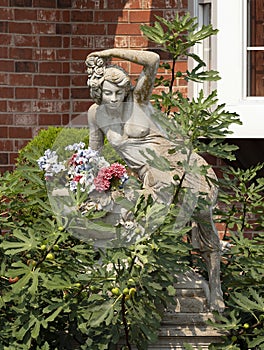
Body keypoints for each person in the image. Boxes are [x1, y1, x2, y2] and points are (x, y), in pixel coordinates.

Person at [85, 48, 225, 312]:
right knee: (147, 220)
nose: (114, 99)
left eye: (118, 92)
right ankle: (144, 284)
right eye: (107, 93)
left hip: (178, 164)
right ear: (98, 93)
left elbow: (152, 61)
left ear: (127, 91)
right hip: (151, 177)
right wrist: (89, 184)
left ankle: (215, 283)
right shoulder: (96, 115)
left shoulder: (138, 101)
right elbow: (93, 154)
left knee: (204, 222)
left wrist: (109, 52)